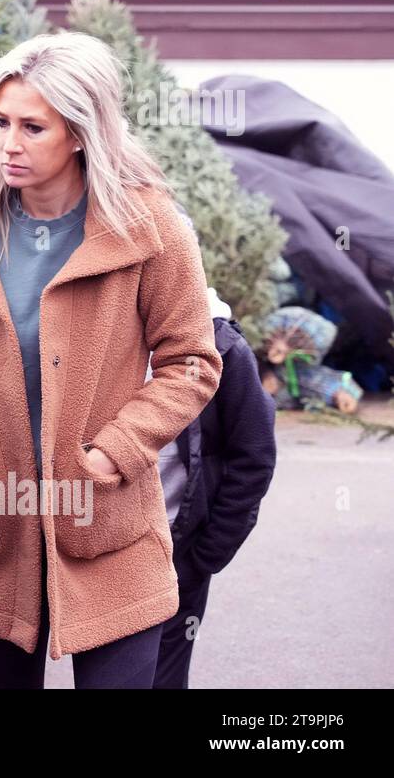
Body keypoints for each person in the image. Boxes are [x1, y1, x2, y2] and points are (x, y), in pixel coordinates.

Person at [0, 32, 223, 688]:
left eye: (32, 127)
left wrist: (112, 454)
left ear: (81, 132)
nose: (8, 144)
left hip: (110, 530)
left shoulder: (149, 226)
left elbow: (191, 361)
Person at [153, 283, 278, 688]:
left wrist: (206, 554)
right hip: (102, 549)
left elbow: (254, 456)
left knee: (163, 676)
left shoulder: (220, 344)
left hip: (178, 553)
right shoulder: (95, 330)